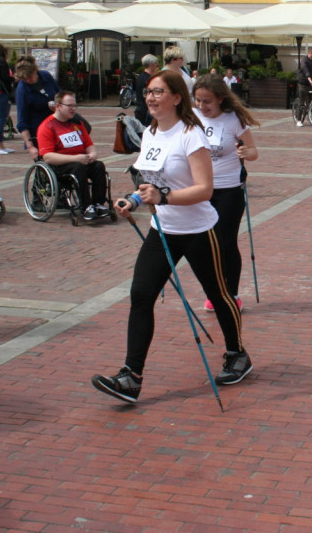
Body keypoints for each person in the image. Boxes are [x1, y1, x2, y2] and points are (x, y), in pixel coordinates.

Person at [92, 69, 252, 403]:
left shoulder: (190, 135)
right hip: (162, 229)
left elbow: (204, 190)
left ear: (177, 97)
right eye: (148, 92)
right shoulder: (151, 133)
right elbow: (151, 181)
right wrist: (134, 199)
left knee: (219, 294)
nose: (151, 97)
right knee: (140, 295)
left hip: (196, 229)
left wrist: (163, 198)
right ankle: (131, 376)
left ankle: (237, 353)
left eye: (159, 92)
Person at [192, 75, 260, 311]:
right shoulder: (190, 117)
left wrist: (246, 153)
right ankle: (213, 291)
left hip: (228, 189)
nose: (202, 106)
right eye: (198, 100)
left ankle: (231, 293)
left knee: (226, 242)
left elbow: (253, 151)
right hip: (199, 190)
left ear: (220, 98)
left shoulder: (234, 119)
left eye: (207, 101)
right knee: (203, 245)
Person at [36, 90, 109, 222]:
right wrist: (75, 158)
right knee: (78, 167)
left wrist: (92, 154)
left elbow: (88, 144)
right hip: (61, 164)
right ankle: (86, 207)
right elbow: (47, 156)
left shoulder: (77, 123)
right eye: (69, 106)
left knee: (98, 166)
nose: (73, 109)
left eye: (75, 105)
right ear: (58, 106)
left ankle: (98, 203)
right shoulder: (47, 126)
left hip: (80, 160)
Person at [13, 56, 60, 161]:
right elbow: (22, 120)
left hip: (57, 124)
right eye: (24, 79)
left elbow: (59, 94)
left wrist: (58, 104)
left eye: (30, 76)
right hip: (39, 130)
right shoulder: (22, 90)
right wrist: (30, 146)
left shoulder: (46, 76)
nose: (28, 80)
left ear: (35, 70)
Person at [294, 46, 312, 127]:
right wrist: (310, 80)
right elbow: (305, 71)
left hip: (310, 84)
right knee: (301, 102)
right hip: (303, 83)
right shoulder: (304, 60)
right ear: (311, 52)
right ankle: (298, 120)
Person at [133, 54, 159, 127]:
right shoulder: (147, 79)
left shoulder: (140, 76)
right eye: (156, 65)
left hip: (141, 108)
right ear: (151, 65)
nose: (157, 67)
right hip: (145, 110)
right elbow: (145, 95)